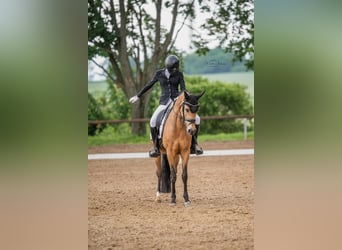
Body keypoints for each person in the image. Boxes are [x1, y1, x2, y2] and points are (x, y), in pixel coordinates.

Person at [129, 55, 203, 157]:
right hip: (164, 102)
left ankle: (194, 145)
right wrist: (138, 96)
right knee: (153, 120)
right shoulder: (159, 73)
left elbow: (183, 88)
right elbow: (150, 84)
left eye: (176, 69)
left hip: (176, 101)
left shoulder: (179, 74)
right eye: (172, 70)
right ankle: (156, 147)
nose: (174, 71)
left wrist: (188, 96)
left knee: (197, 119)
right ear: (167, 67)